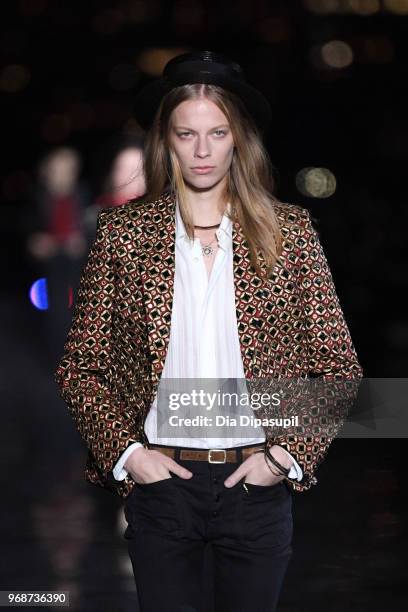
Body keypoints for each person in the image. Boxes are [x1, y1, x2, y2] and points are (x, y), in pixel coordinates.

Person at [55, 51, 363, 612]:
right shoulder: (125, 235)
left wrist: (284, 457)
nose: (202, 150)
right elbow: (82, 367)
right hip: (160, 483)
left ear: (238, 138)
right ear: (165, 140)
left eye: (217, 132)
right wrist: (128, 454)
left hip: (254, 483)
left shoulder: (287, 233)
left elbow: (338, 368)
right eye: (187, 133)